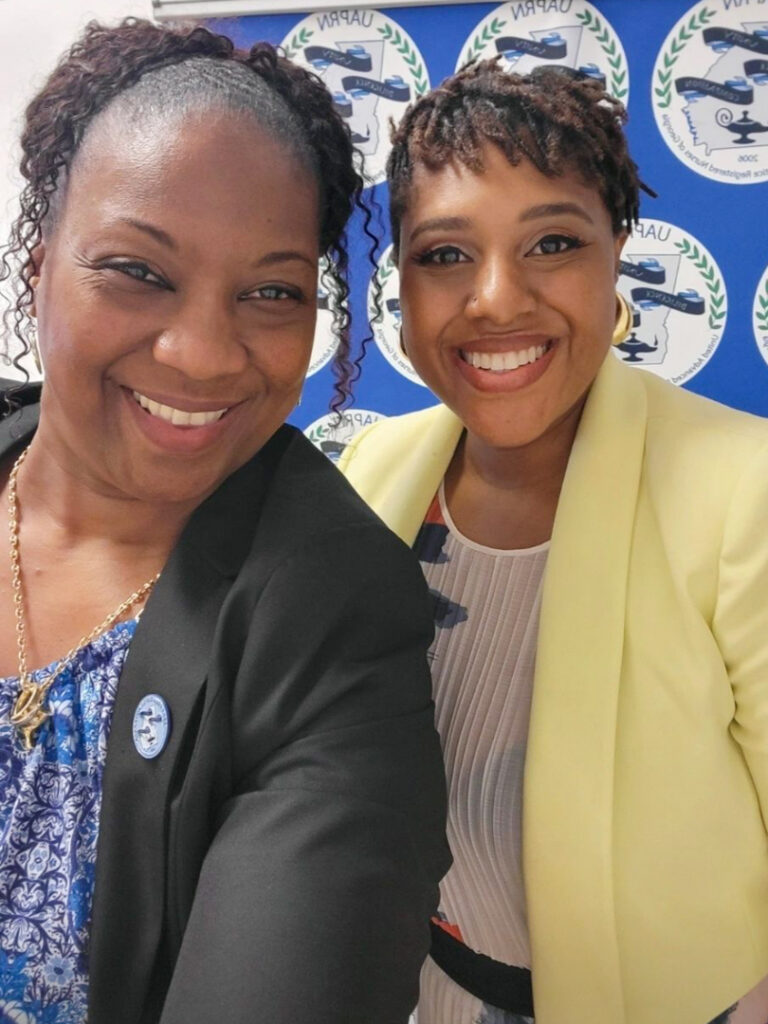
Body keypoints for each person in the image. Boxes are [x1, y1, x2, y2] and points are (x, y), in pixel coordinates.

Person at [0, 18, 449, 1024]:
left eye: (271, 292)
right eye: (140, 270)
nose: (202, 354)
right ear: (38, 262)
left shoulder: (338, 616)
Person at [339, 59, 768, 1024]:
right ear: (398, 282)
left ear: (617, 256)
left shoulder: (747, 492)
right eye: (445, 254)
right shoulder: (370, 474)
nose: (496, 299)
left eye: (553, 243)